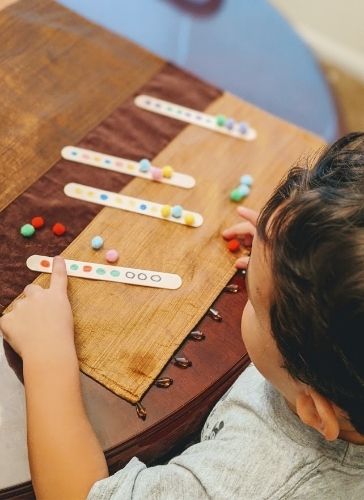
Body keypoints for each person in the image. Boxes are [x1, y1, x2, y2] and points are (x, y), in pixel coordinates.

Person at [1, 132, 364, 499]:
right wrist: (291, 261)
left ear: (315, 413)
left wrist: (48, 359)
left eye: (254, 301)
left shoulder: (252, 480)